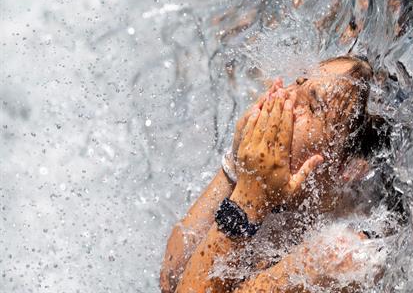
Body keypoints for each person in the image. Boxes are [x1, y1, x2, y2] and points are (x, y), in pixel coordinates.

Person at [160, 55, 395, 293]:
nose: (286, 97)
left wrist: (247, 200)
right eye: (299, 83)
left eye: (313, 107)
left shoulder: (339, 254)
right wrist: (236, 169)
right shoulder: (280, 193)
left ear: (348, 167)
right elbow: (171, 280)